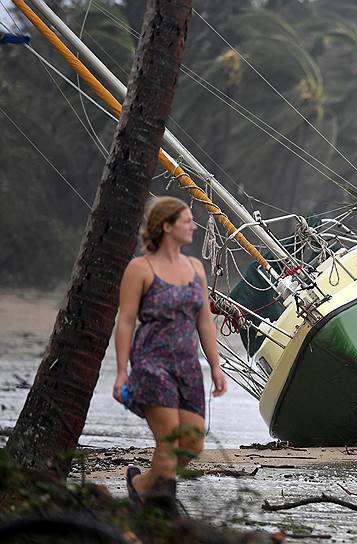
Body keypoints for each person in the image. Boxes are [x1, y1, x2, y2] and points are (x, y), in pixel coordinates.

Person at [113, 196, 227, 508]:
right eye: (187, 220)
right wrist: (122, 371)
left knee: (191, 444)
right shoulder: (140, 268)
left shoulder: (195, 268)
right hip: (152, 363)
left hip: (188, 365)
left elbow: (204, 321)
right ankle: (164, 512)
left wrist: (216, 367)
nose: (194, 225)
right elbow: (124, 321)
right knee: (169, 439)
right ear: (166, 226)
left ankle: (142, 484)